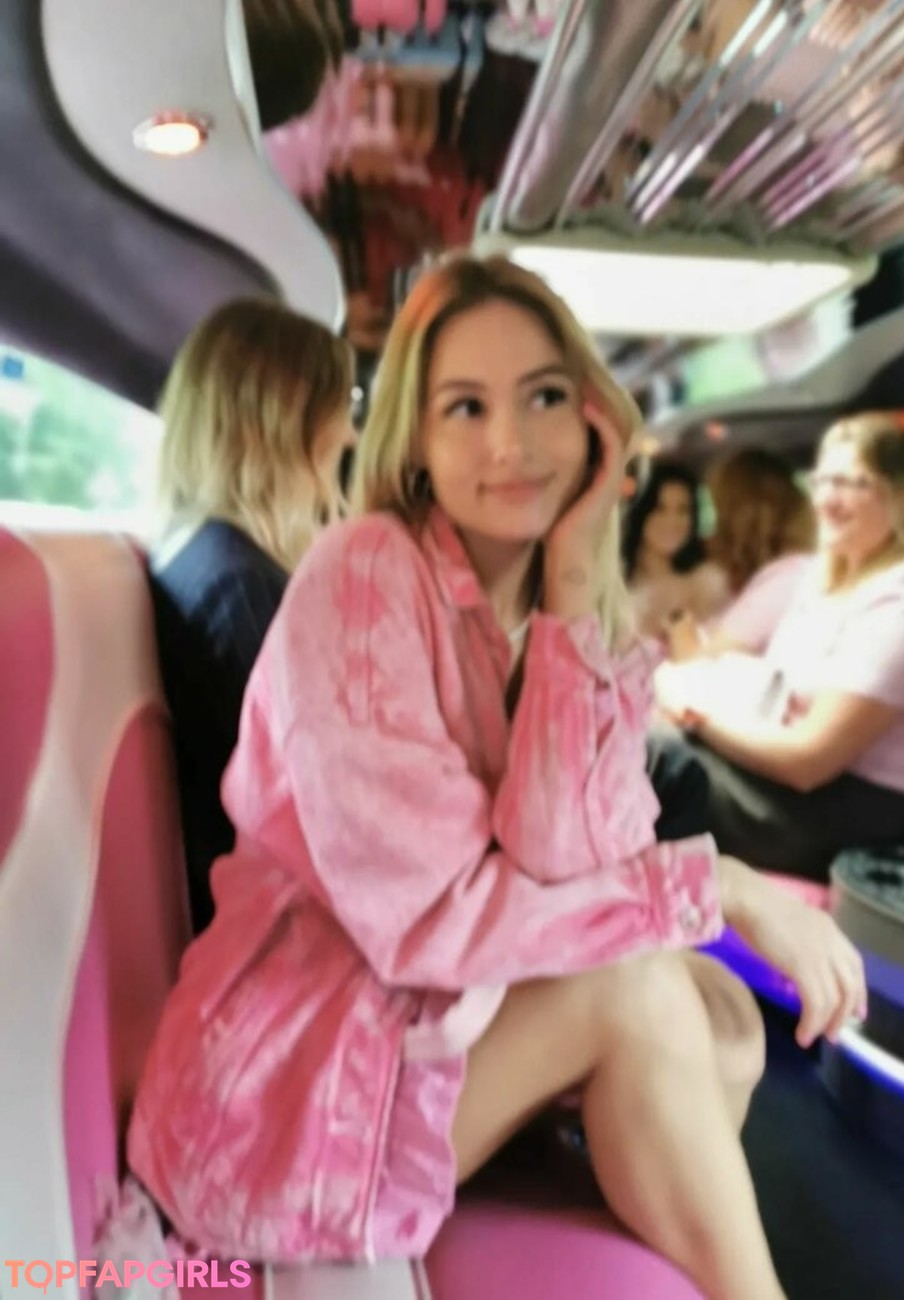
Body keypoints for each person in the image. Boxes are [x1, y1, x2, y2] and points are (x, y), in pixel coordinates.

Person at [128, 255, 865, 1300]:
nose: (511, 443)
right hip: (290, 1085)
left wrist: (572, 583)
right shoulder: (362, 575)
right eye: (466, 407)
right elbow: (432, 920)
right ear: (417, 441)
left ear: (595, 420)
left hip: (431, 1020)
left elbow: (567, 856)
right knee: (641, 990)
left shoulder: (556, 602)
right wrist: (725, 886)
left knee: (725, 1019)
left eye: (545, 398)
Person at [675, 409, 904, 883]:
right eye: (821, 481)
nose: (825, 500)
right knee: (629, 744)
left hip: (872, 816)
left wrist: (693, 713)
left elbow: (808, 761)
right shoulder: (829, 581)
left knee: (652, 765)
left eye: (849, 483)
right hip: (804, 791)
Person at [149, 298, 356, 933]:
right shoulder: (242, 586)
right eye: (341, 409)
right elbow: (328, 806)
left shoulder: (197, 553)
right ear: (285, 423)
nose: (350, 435)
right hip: (276, 926)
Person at [667, 448, 814, 662]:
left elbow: (697, 667)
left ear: (737, 520)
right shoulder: (800, 571)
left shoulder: (781, 581)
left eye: (716, 514)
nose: (711, 533)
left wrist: (679, 625)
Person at [622, 460, 728, 639]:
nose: (672, 520)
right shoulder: (616, 589)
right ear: (641, 512)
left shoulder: (707, 583)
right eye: (660, 509)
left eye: (683, 510)